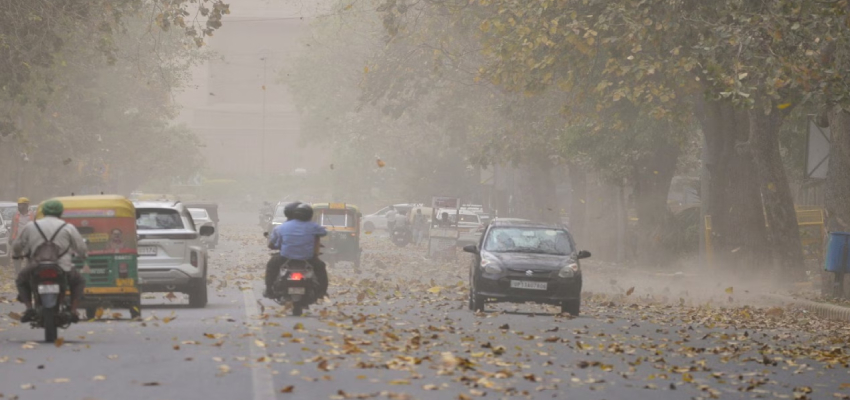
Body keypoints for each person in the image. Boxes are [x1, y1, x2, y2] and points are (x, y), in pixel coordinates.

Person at [13, 200, 88, 323]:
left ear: (43, 212)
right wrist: (83, 256)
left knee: (21, 280)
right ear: (60, 212)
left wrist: (16, 255)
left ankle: (29, 308)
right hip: (62, 267)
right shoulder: (68, 227)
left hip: (36, 266)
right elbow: (81, 248)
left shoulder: (31, 226)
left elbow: (17, 245)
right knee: (79, 281)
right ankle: (74, 310)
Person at [264, 203, 330, 299]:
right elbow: (323, 232)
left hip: (285, 257)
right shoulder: (313, 226)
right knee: (321, 267)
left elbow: (272, 244)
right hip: (308, 258)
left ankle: (269, 290)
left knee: (271, 266)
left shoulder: (281, 227)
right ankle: (322, 292)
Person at [11, 197, 35, 273]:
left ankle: (28, 272)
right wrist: (10, 238)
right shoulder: (15, 215)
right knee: (17, 257)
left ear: (26, 205)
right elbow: (12, 226)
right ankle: (18, 272)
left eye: (21, 205)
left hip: (29, 240)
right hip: (17, 239)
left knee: (29, 257)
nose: (19, 206)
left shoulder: (32, 215)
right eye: (18, 205)